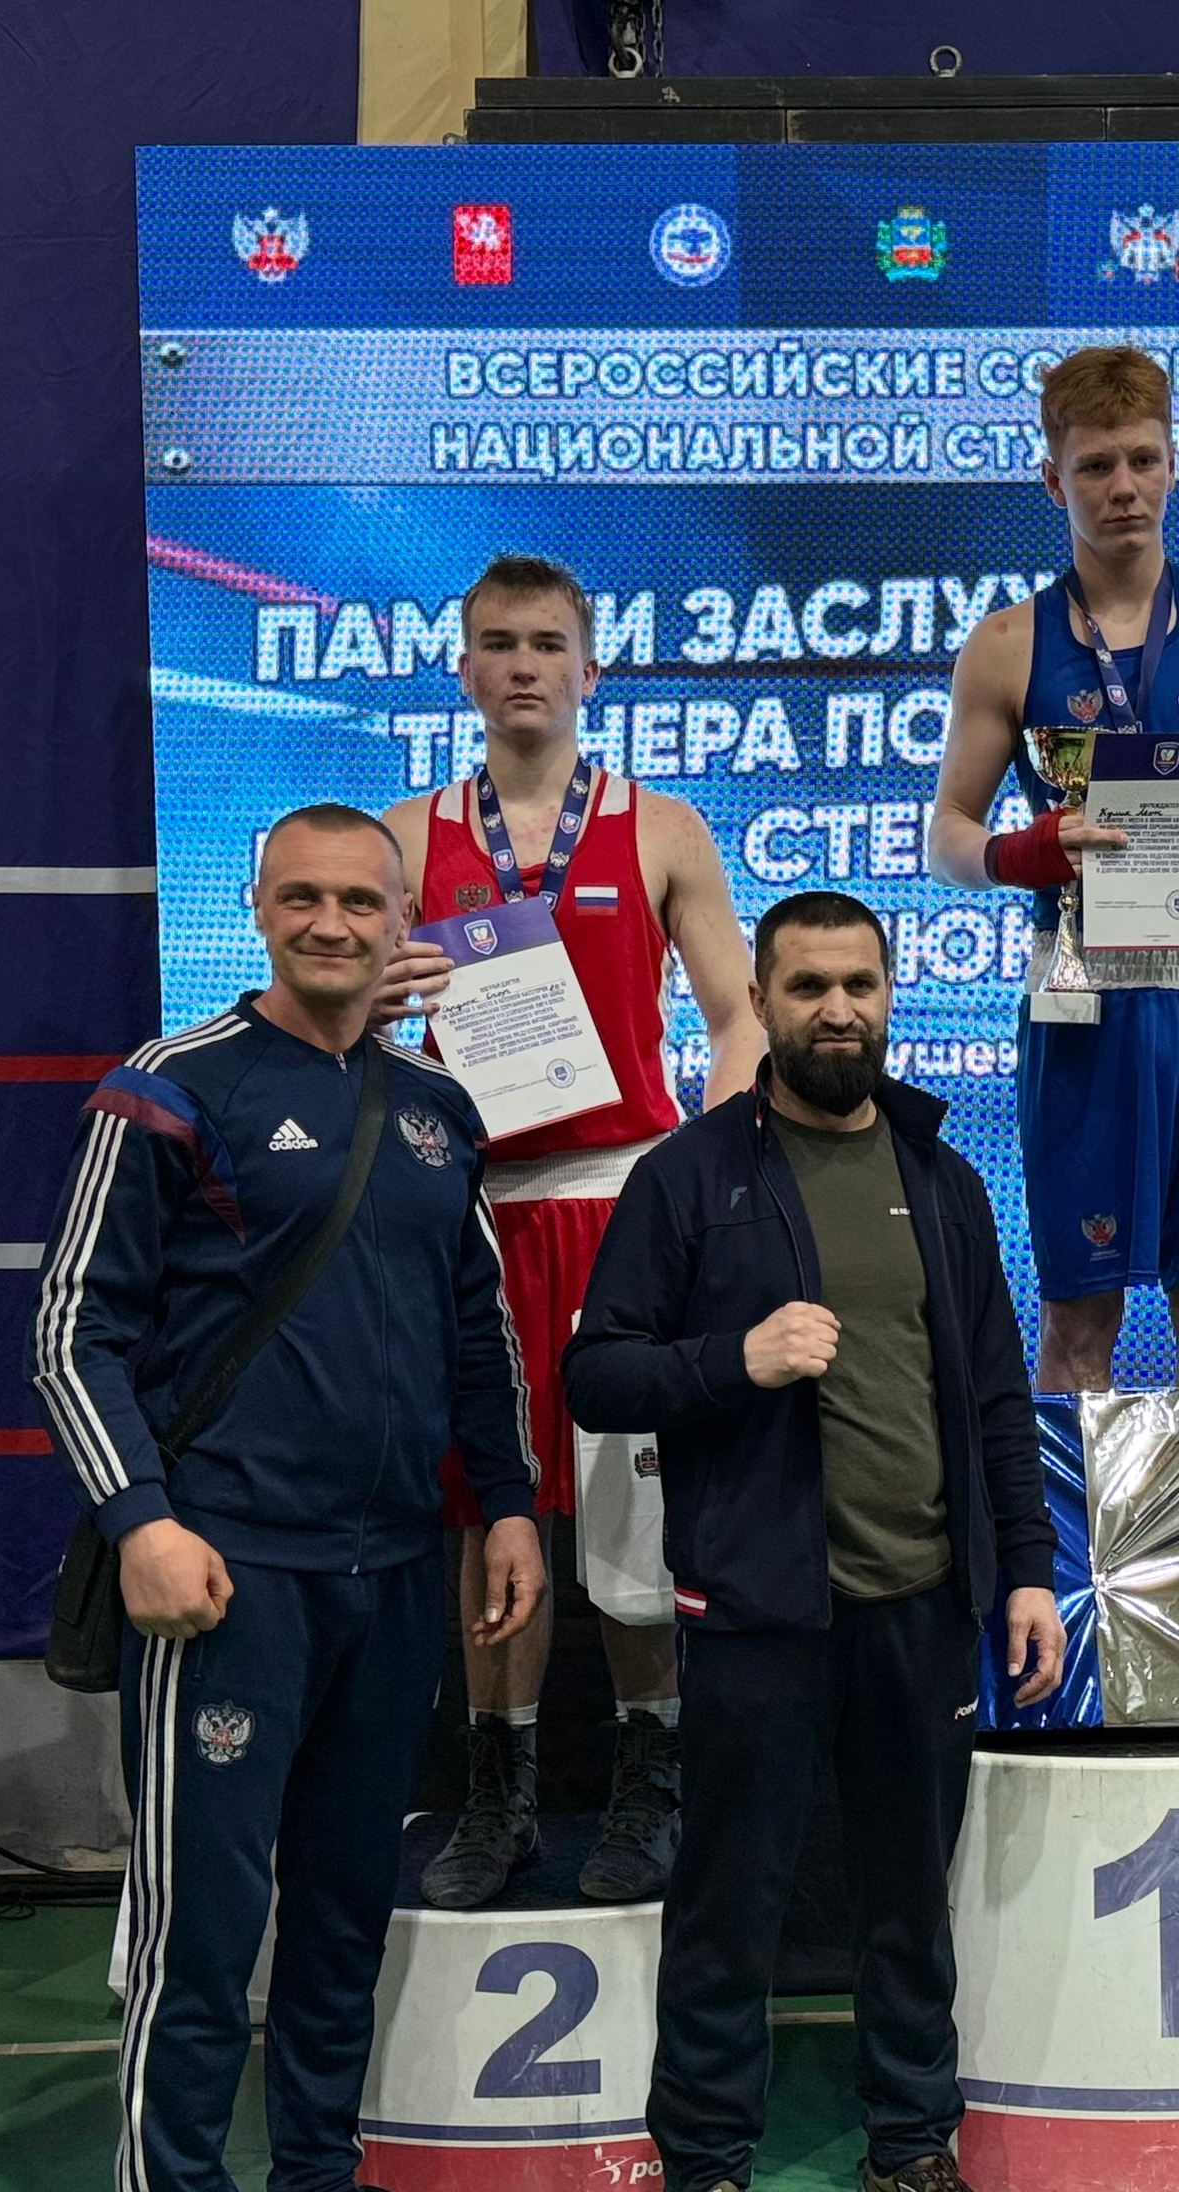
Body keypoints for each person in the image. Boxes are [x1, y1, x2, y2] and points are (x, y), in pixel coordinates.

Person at [27, 806, 545, 2192]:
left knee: (341, 1910)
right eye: (301, 897)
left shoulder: (438, 1111)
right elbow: (69, 1330)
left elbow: (478, 1332)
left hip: (391, 1577)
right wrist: (140, 1519)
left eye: (359, 901)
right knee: (202, 1935)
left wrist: (508, 1503)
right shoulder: (169, 1086)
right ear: (256, 907)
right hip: (225, 1582)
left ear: (402, 916)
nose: (330, 922)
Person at [563, 890, 1063, 2192]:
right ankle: (707, 2187)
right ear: (761, 1003)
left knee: (911, 1905)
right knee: (730, 1910)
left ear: (888, 997)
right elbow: (598, 1375)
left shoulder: (943, 1176)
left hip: (924, 1603)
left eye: (858, 984)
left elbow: (995, 1393)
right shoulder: (690, 1173)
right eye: (806, 986)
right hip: (759, 1609)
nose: (836, 1009)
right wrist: (738, 1357)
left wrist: (1027, 1567)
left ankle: (909, 2159)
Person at [379, 552, 761, 1909]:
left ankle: (652, 1782)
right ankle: (499, 1791)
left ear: (591, 669)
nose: (525, 664)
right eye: (500, 642)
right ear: (464, 669)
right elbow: (337, 1011)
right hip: (472, 1213)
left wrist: (712, 1169)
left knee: (632, 1521)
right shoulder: (403, 836)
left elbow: (736, 1014)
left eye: (548, 642)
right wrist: (380, 995)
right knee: (493, 1512)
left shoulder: (662, 827)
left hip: (624, 1208)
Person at [928, 343, 1179, 1389]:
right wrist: (1016, 852)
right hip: (1083, 1001)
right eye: (1097, 465)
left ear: (1172, 465)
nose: (1123, 487)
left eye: (1143, 460)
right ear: (1052, 479)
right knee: (1077, 1320)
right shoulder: (1006, 644)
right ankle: (1070, 1510)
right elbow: (947, 835)